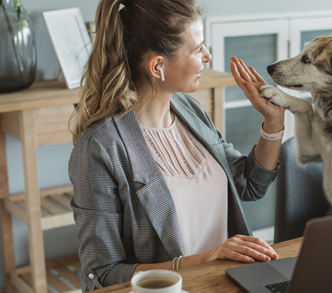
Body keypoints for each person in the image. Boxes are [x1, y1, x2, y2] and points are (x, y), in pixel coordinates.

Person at [68, 0, 285, 291]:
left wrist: (273, 123)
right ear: (158, 66)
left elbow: (248, 185)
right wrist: (203, 260)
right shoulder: (101, 147)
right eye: (197, 49)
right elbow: (101, 275)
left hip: (229, 284)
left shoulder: (189, 111)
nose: (207, 56)